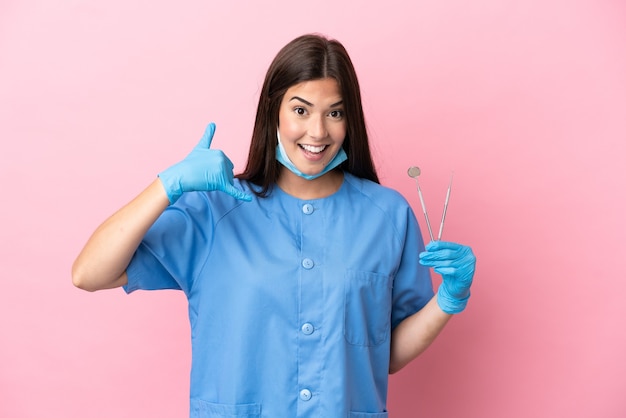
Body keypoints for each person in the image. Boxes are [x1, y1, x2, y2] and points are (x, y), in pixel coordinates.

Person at [72, 33, 476, 418]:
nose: (318, 132)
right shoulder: (215, 210)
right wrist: (168, 184)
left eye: (334, 113)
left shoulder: (387, 215)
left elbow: (383, 355)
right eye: (300, 110)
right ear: (273, 112)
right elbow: (89, 273)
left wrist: (448, 300)